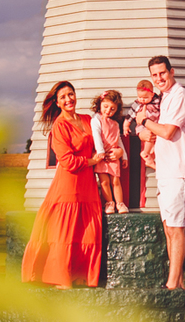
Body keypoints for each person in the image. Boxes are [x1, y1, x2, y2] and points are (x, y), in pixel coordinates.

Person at [21, 80, 106, 287]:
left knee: (87, 233)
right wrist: (92, 161)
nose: (68, 99)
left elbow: (103, 140)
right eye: (63, 97)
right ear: (57, 103)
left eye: (71, 94)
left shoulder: (87, 119)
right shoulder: (59, 126)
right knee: (64, 235)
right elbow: (67, 161)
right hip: (68, 185)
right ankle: (59, 278)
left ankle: (81, 275)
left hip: (87, 185)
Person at [141, 55, 185, 289]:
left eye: (162, 73)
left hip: (180, 172)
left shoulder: (180, 96)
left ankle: (171, 285)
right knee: (169, 229)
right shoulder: (165, 99)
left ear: (171, 71)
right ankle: (179, 282)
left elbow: (167, 132)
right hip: (166, 172)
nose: (159, 79)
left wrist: (144, 122)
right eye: (154, 75)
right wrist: (151, 151)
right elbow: (164, 135)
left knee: (176, 229)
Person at [90, 90, 129, 213]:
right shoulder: (96, 119)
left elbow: (118, 141)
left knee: (116, 181)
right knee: (104, 181)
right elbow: (96, 135)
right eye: (105, 107)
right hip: (102, 155)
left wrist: (125, 156)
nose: (108, 111)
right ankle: (109, 203)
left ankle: (120, 203)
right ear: (100, 104)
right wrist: (100, 151)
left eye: (112, 109)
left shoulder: (115, 124)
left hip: (113, 155)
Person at [125, 78, 160, 209]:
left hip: (156, 126)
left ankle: (150, 155)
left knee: (155, 144)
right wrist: (125, 126)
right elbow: (129, 116)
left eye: (145, 97)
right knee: (149, 138)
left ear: (152, 93)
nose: (142, 100)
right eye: (140, 97)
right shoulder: (137, 104)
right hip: (143, 127)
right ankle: (146, 154)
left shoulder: (158, 101)